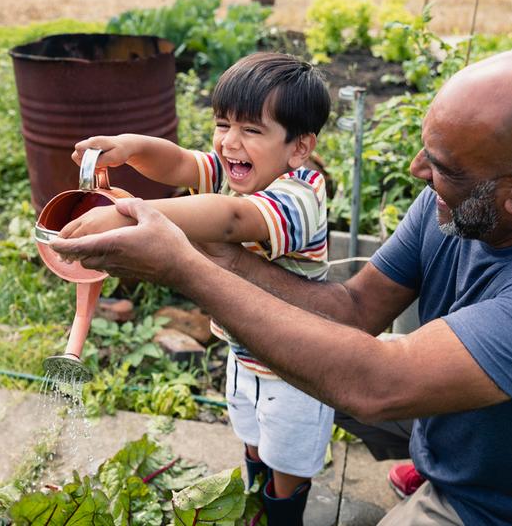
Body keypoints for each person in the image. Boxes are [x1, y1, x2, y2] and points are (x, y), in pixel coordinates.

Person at [51, 49, 512, 525]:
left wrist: (180, 262)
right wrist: (192, 243)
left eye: (442, 167)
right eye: (428, 150)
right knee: (307, 382)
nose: (419, 172)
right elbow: (353, 310)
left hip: (504, 505)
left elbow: (377, 383)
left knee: (334, 389)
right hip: (441, 419)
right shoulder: (455, 204)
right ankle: (429, 458)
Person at [62, 52, 332, 524]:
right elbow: (183, 164)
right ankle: (254, 508)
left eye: (251, 130)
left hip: (298, 369)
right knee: (252, 442)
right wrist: (129, 147)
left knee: (287, 467)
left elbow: (231, 219)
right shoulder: (240, 171)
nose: (230, 142)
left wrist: (132, 214)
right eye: (223, 124)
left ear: (299, 147)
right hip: (244, 353)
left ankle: (282, 516)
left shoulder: (299, 197)